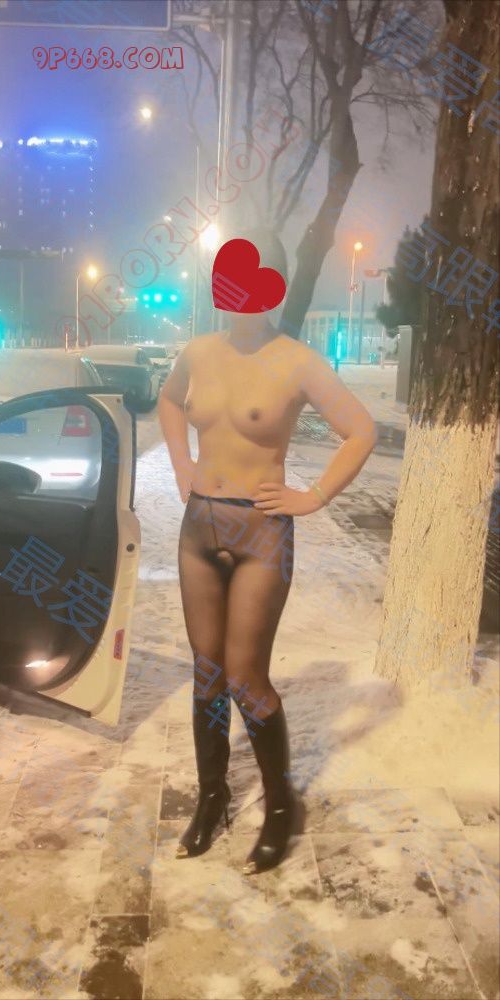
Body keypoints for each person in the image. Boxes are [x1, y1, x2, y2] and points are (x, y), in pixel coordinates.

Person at [157, 228, 378, 875]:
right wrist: (181, 464)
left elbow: (360, 429)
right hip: (199, 530)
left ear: (273, 288)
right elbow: (169, 402)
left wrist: (314, 495)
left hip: (261, 533)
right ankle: (213, 797)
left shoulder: (296, 361)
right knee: (206, 670)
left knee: (245, 676)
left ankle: (281, 805)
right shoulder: (198, 351)